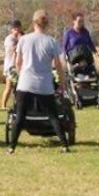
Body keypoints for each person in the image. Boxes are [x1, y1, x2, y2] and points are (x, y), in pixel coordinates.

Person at [8, 9, 69, 154]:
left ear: (33, 22)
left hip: (26, 83)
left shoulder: (24, 40)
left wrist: (20, 73)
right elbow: (58, 65)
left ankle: (11, 147)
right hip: (44, 84)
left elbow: (18, 62)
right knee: (53, 116)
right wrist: (62, 81)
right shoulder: (51, 41)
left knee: (20, 116)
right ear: (47, 24)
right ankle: (64, 145)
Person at [0, 19, 23, 110]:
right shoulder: (9, 38)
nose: (17, 30)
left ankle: (17, 104)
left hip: (20, 65)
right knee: (9, 86)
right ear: (12, 29)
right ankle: (3, 105)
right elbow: (12, 49)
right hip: (10, 65)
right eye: (15, 28)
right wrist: (20, 42)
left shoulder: (21, 37)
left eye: (18, 28)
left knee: (19, 87)